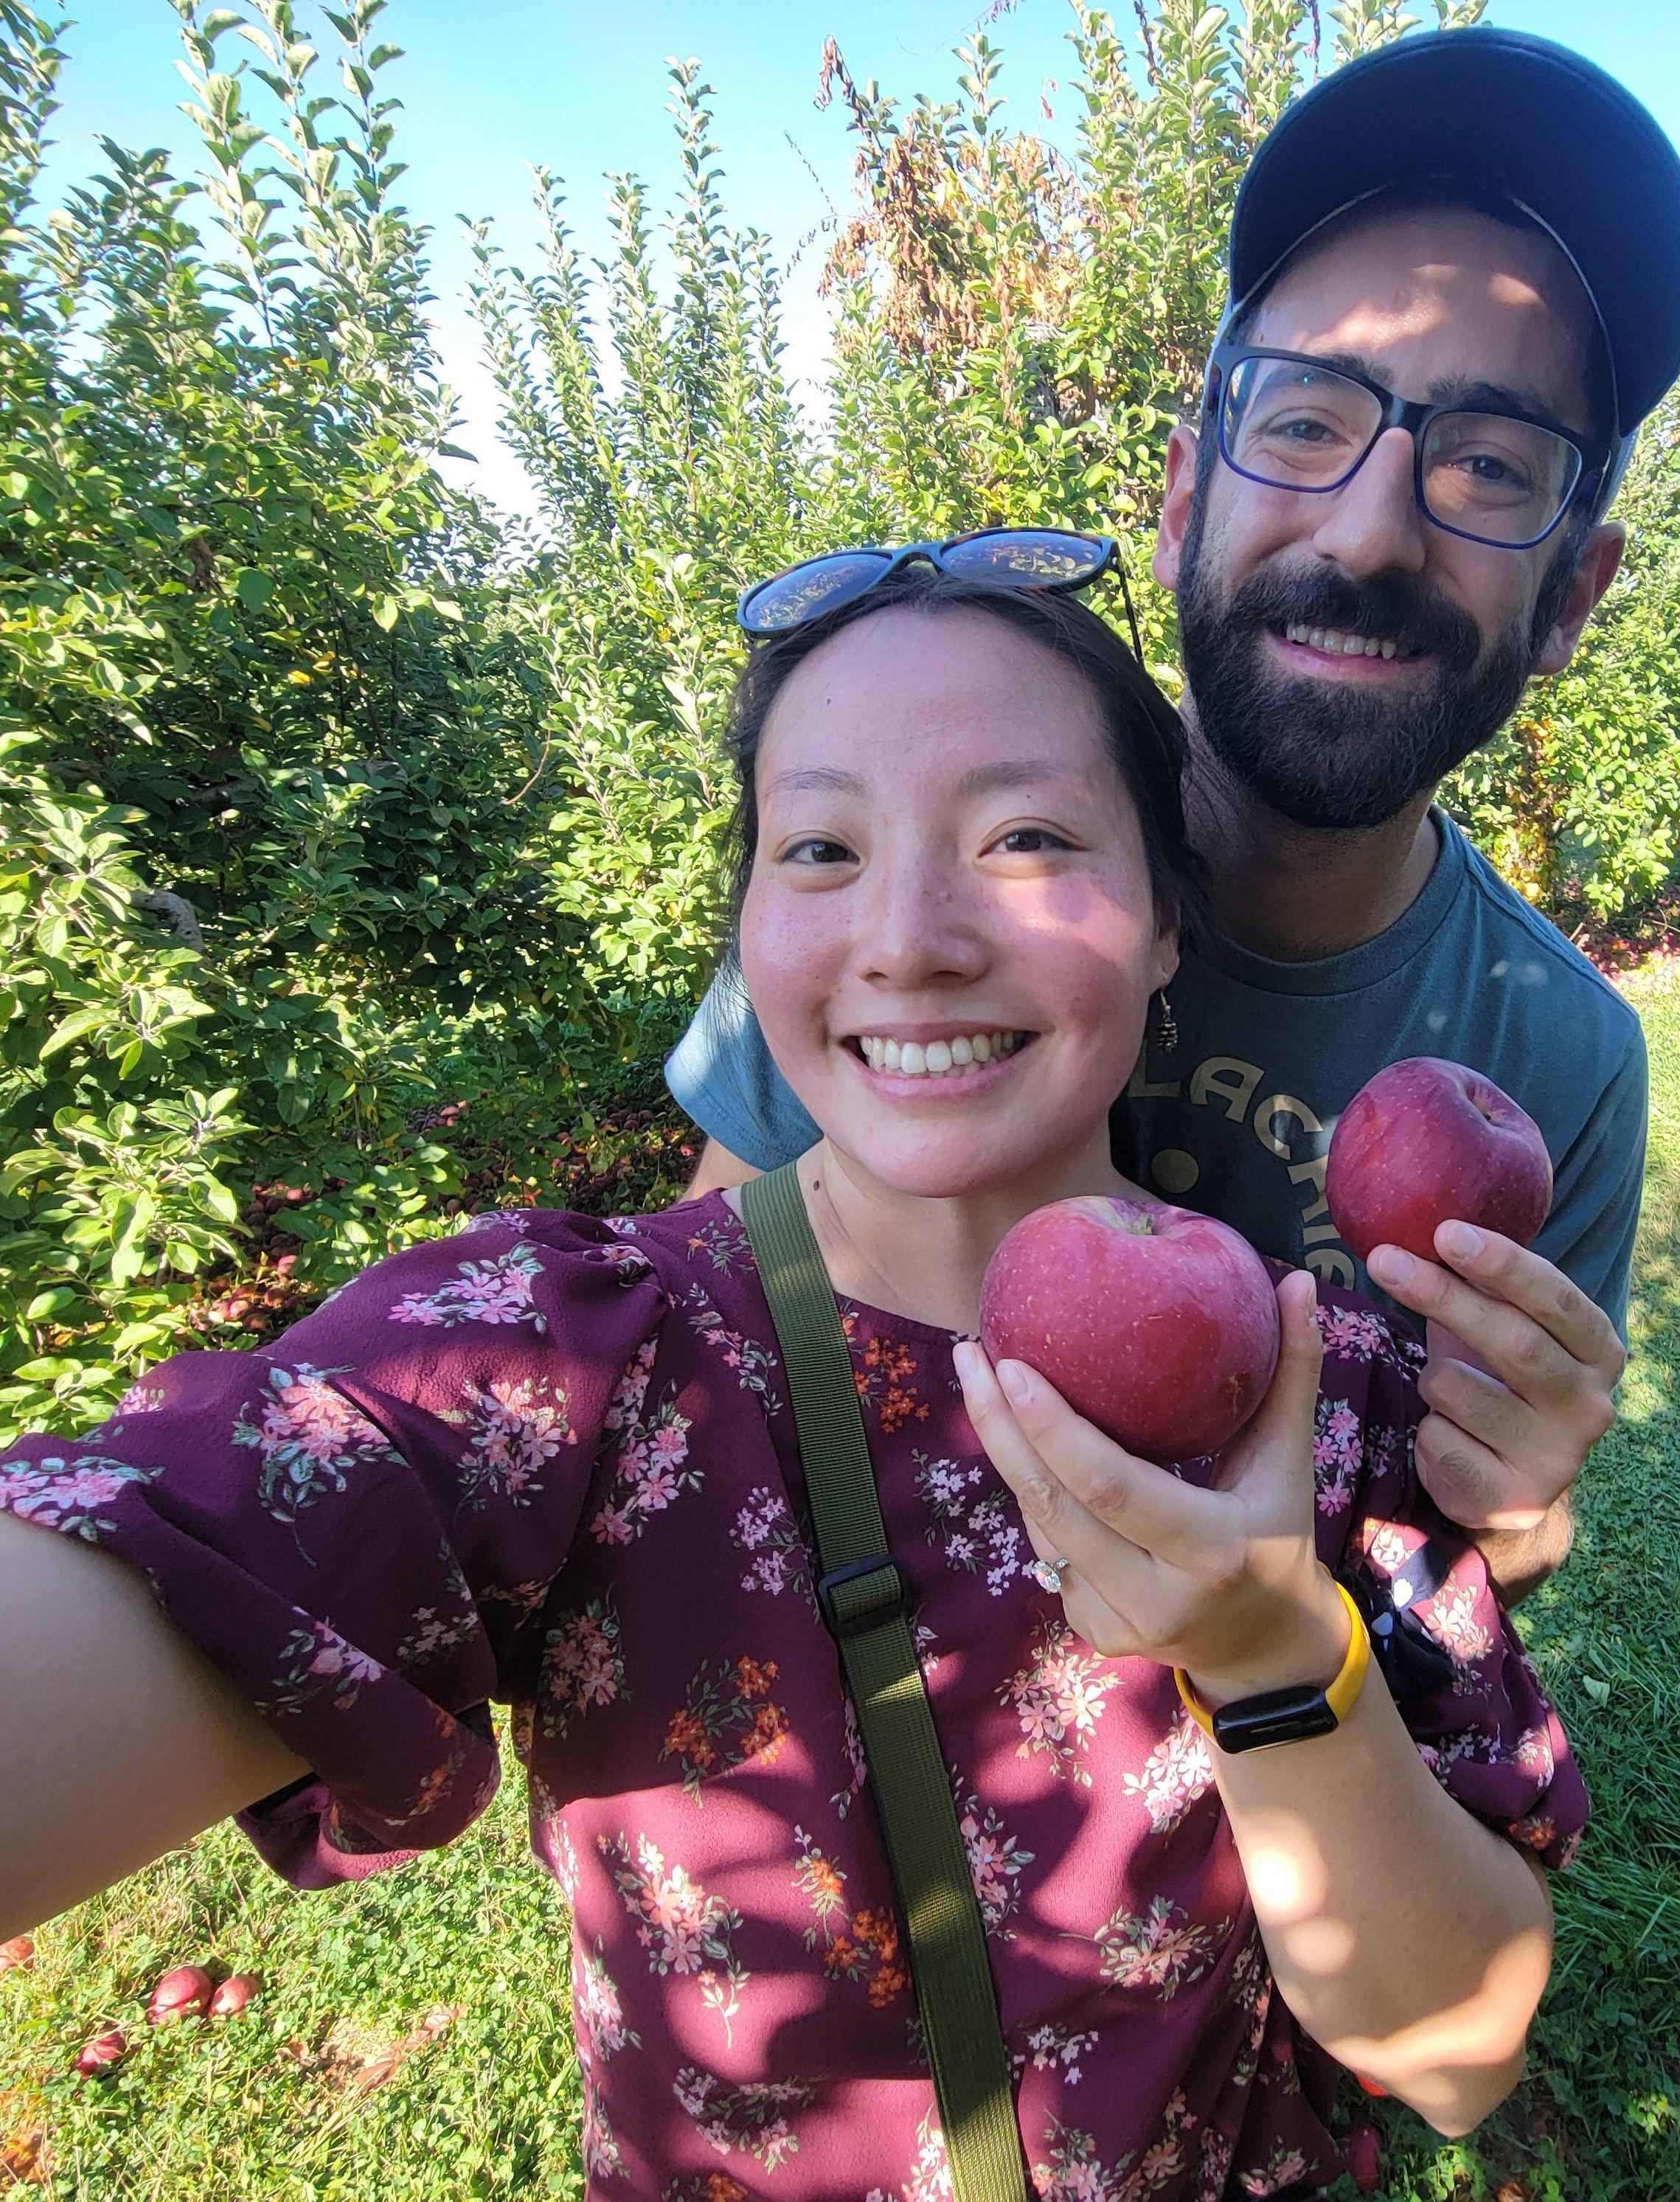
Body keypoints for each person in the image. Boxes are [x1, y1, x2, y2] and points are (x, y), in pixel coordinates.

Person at [1, 570, 1583, 2200]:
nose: (908, 941)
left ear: (1168, 920)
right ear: (749, 927)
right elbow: (212, 1518)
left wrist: (1274, 1660)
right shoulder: (582, 1358)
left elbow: (1458, 2055)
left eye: (1026, 836)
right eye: (820, 848)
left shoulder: (1326, 1393)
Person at [667, 25, 1680, 1605]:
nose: (1365, 533)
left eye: (1491, 465)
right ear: (1179, 500)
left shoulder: (1557, 1055)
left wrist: (1512, 1522)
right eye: (1302, 420)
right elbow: (706, 1334)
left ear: (1570, 594)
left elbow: (1457, 1578)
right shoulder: (895, 900)